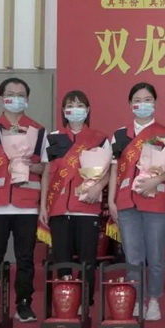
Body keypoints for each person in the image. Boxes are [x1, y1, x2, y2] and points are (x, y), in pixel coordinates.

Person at [0, 77, 47, 322]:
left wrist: (31, 166)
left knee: (25, 258)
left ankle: (23, 305)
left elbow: (46, 168)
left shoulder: (38, 130)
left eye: (21, 95)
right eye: (11, 94)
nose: (16, 99)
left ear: (28, 99)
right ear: (2, 98)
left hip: (27, 204)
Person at [39, 90, 110, 310]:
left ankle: (85, 302)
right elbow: (46, 174)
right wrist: (43, 206)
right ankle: (66, 302)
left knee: (87, 259)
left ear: (87, 110)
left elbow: (109, 171)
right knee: (62, 258)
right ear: (63, 110)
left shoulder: (99, 138)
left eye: (80, 105)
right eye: (70, 105)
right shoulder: (53, 138)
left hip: (87, 207)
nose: (75, 109)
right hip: (59, 208)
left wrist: (99, 186)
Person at [108, 83, 165, 321]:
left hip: (156, 199)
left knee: (155, 256)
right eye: (137, 100)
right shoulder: (119, 135)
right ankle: (136, 299)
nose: (142, 104)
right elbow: (114, 169)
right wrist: (112, 200)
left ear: (155, 103)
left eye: (147, 100)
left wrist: (156, 180)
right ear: (130, 104)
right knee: (133, 256)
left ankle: (154, 299)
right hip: (126, 202)